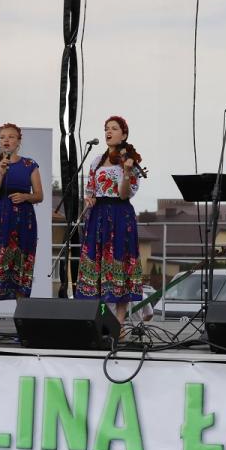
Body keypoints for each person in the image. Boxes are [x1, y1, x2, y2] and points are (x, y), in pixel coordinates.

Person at [0, 123, 43, 332]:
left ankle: (22, 322)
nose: (7, 140)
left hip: (22, 222)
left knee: (20, 269)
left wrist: (26, 196)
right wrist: (0, 173)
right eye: (3, 137)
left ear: (19, 141)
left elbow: (39, 195)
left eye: (11, 137)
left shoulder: (30, 164)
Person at [75, 115, 144, 324]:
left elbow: (124, 194)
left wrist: (127, 172)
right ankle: (103, 320)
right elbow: (90, 189)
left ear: (124, 135)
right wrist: (89, 198)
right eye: (107, 128)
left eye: (114, 128)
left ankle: (119, 324)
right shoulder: (96, 161)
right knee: (97, 268)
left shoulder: (130, 162)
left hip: (120, 215)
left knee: (120, 265)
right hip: (98, 217)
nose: (109, 131)